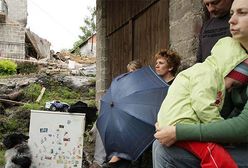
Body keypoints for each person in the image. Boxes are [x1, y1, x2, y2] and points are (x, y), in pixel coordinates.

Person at [153, 0, 248, 167]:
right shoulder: (213, 70)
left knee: (169, 152)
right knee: (161, 146)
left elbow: (242, 126)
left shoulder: (226, 68)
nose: (231, 20)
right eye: (232, 13)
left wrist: (178, 131)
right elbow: (207, 104)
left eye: (242, 12)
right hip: (207, 125)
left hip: (238, 138)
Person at [89, 50, 181, 168]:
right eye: (156, 62)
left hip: (162, 121)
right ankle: (117, 157)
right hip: (149, 117)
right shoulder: (154, 82)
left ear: (171, 67)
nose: (157, 65)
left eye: (161, 63)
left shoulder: (175, 84)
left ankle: (118, 158)